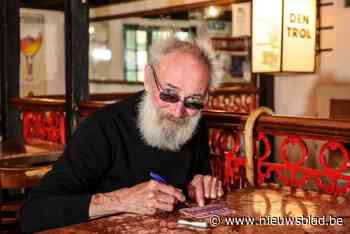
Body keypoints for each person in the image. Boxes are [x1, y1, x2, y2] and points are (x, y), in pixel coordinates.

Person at [20, 36, 223, 232]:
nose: (178, 112)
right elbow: (32, 213)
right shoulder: (103, 127)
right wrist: (122, 201)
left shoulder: (195, 123)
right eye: (169, 94)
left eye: (193, 101)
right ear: (148, 79)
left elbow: (192, 182)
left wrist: (195, 187)